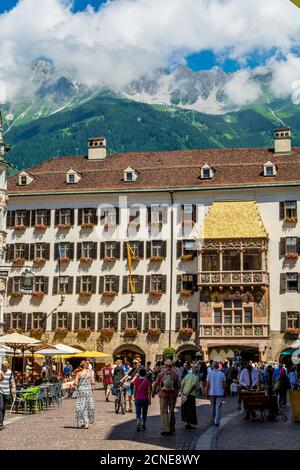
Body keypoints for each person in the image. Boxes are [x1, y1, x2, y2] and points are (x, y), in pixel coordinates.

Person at [152, 359, 181, 435]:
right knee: (171, 412)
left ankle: (166, 428)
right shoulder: (175, 374)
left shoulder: (161, 374)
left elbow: (155, 384)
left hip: (163, 394)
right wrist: (176, 393)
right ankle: (172, 427)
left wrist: (153, 393)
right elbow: (178, 385)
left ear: (164, 365)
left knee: (163, 411)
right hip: (172, 395)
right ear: (171, 366)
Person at [74, 360, 95, 429]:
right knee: (88, 407)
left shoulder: (78, 373)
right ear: (87, 365)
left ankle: (82, 422)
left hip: (81, 391)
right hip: (88, 391)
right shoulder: (90, 372)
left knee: (81, 407)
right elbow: (93, 382)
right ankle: (87, 423)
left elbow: (76, 383)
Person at [207, 360, 226, 426]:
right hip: (220, 392)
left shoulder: (210, 373)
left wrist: (206, 393)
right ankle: (216, 421)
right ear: (218, 366)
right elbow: (224, 384)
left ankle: (213, 419)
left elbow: (208, 384)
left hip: (212, 392)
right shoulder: (222, 374)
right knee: (218, 407)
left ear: (212, 366)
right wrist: (224, 392)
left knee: (213, 407)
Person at [181, 365, 199, 429]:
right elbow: (193, 386)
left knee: (185, 408)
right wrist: (188, 392)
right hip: (191, 394)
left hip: (184, 393)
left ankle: (187, 423)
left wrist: (182, 392)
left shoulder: (187, 375)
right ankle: (190, 423)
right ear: (196, 371)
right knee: (191, 409)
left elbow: (182, 383)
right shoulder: (196, 377)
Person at [0, 359, 16, 430]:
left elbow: (12, 381)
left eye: (6, 364)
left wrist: (14, 388)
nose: (5, 366)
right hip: (0, 391)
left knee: (3, 408)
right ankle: (0, 423)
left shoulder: (10, 372)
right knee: (0, 406)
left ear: (8, 365)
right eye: (3, 365)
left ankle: (1, 422)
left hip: (7, 391)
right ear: (2, 365)